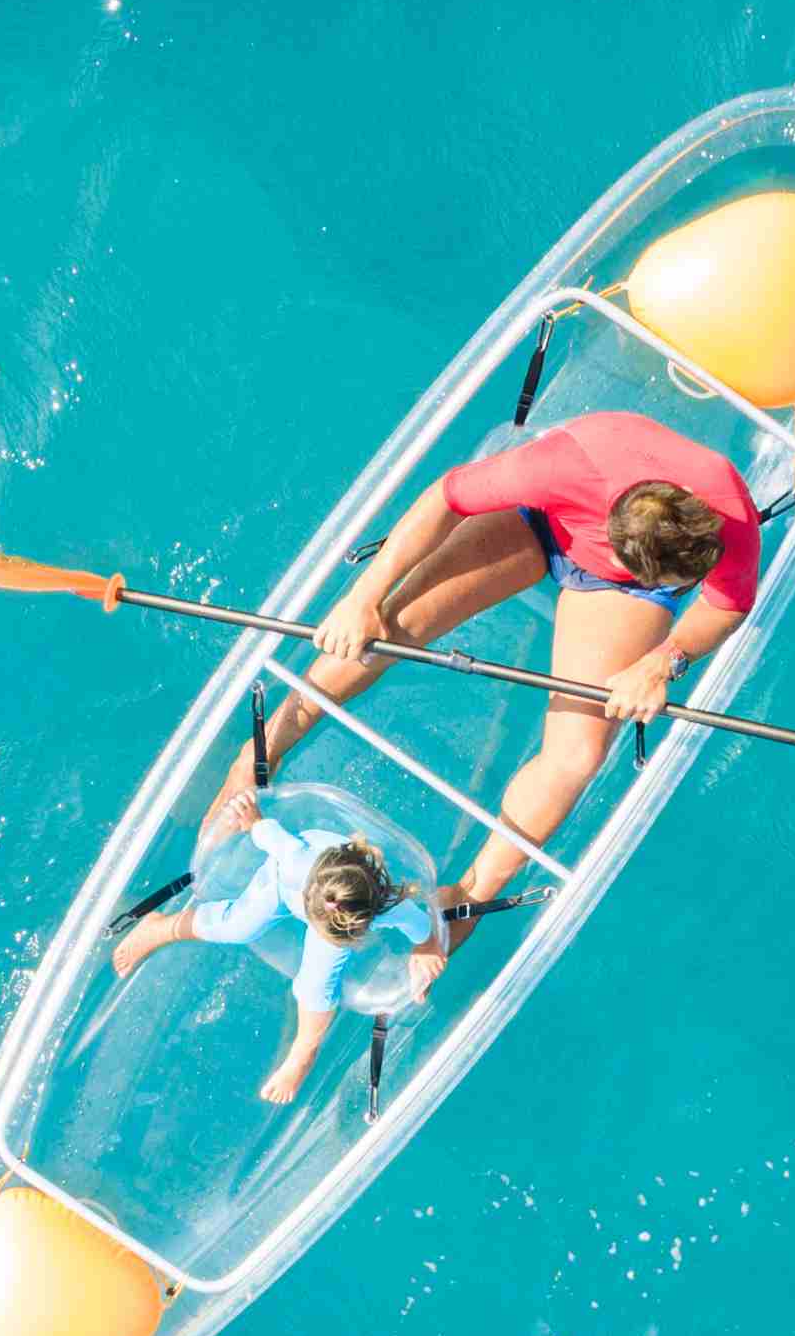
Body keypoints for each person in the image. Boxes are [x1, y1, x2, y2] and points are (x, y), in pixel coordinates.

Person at [209, 410, 760, 992]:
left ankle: (465, 899)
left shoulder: (727, 514)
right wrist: (362, 599)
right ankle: (259, 753)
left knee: (577, 756)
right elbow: (447, 496)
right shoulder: (570, 465)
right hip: (541, 522)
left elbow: (726, 606)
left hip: (615, 590)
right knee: (386, 629)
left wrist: (663, 661)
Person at [109, 824, 447, 1103]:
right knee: (236, 925)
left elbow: (425, 931)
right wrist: (249, 817)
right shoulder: (295, 857)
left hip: (330, 899)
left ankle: (303, 1051)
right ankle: (160, 927)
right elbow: (263, 831)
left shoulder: (390, 907)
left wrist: (427, 948)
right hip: (284, 885)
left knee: (318, 983)